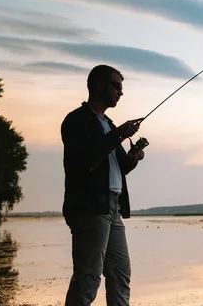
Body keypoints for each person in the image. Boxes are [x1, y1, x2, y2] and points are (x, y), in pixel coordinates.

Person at [61, 64, 146, 306]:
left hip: (113, 208)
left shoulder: (108, 124)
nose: (120, 92)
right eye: (116, 86)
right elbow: (86, 160)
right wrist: (118, 134)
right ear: (98, 84)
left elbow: (118, 166)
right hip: (90, 208)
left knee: (120, 275)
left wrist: (132, 158)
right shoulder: (76, 121)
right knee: (87, 278)